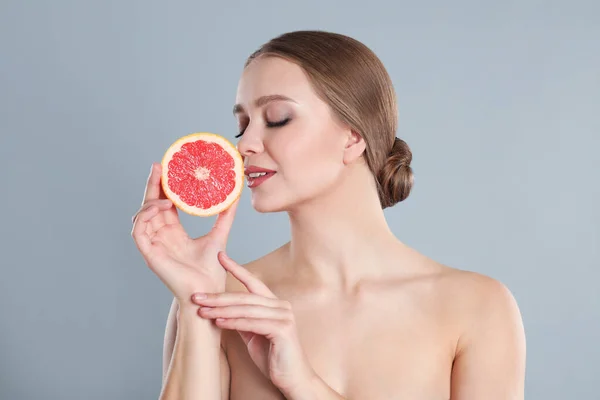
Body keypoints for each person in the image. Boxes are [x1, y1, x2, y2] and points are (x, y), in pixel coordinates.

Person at [131, 30, 526, 400]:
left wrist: (301, 382)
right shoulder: (222, 300)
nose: (246, 144)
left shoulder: (476, 307)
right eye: (242, 125)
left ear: (353, 136)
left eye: (277, 118)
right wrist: (195, 305)